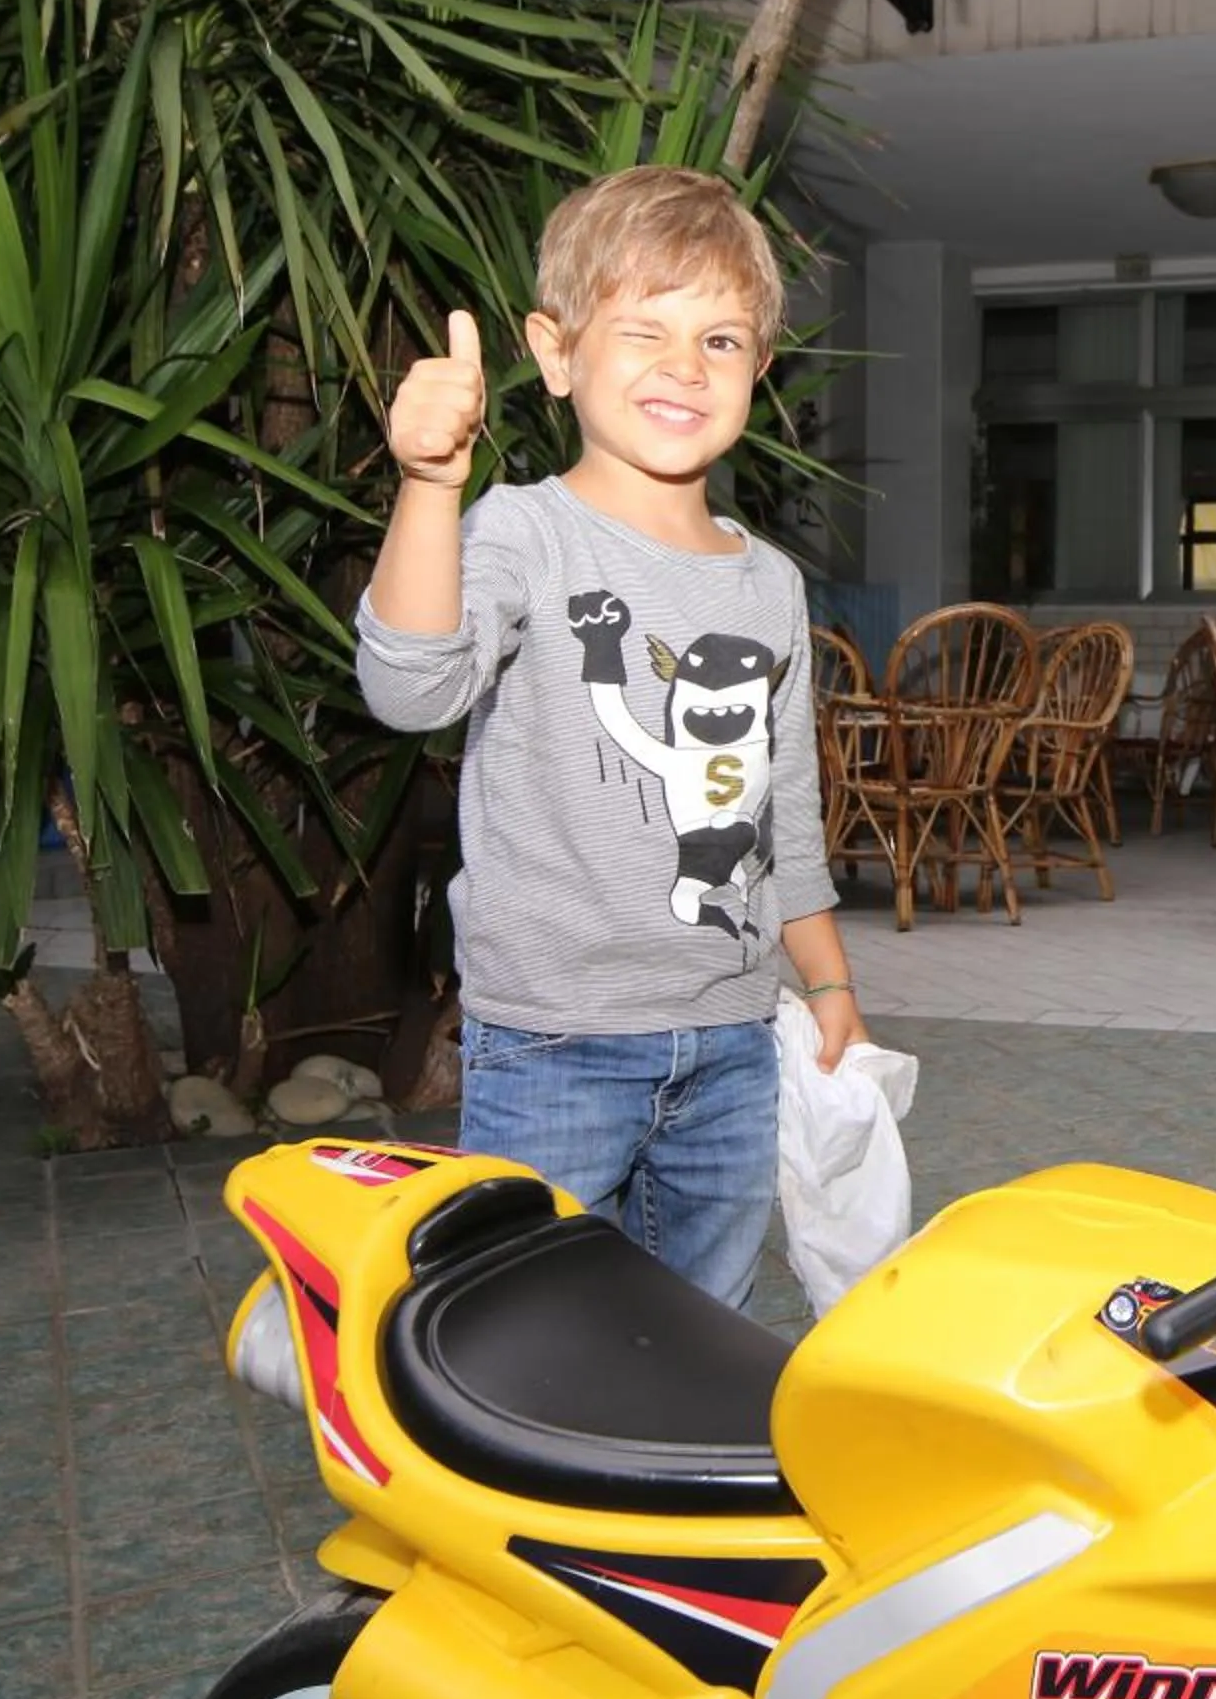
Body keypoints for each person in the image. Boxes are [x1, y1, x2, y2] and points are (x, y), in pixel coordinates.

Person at [356, 164, 867, 1310]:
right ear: (555, 351)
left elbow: (784, 809)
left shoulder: (772, 583)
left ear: (758, 372)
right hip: (553, 1044)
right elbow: (410, 687)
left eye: (723, 341)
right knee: (522, 1337)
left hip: (733, 1041)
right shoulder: (524, 533)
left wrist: (827, 983)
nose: (686, 367)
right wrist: (431, 486)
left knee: (703, 1332)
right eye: (645, 330)